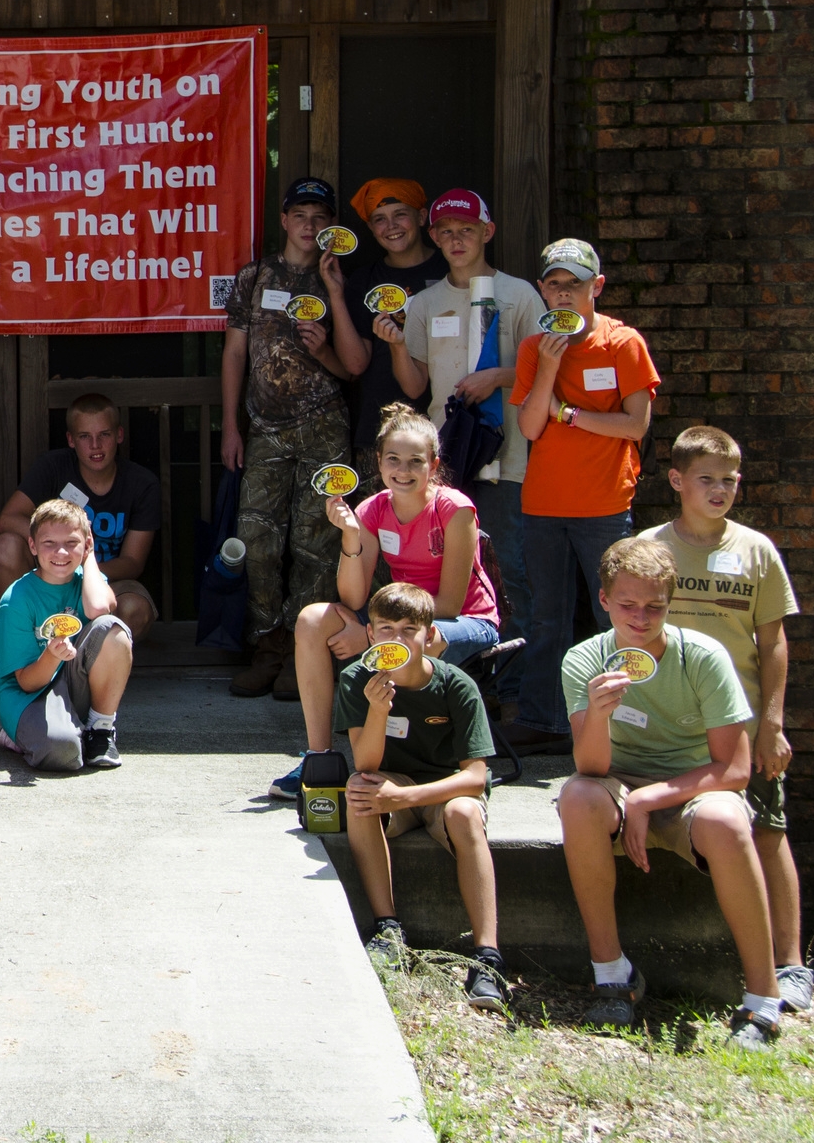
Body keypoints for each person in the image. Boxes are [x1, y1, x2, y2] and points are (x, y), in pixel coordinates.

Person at [555, 537, 783, 1048]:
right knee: (576, 797)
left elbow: (735, 769)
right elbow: (590, 767)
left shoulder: (702, 656)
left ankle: (763, 998)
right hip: (615, 781)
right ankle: (612, 974)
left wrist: (647, 799)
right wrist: (598, 714)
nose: (641, 618)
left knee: (727, 820)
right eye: (628, 605)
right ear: (604, 599)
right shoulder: (584, 659)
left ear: (670, 603)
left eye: (654, 607)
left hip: (692, 788)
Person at [642, 425, 814, 1012]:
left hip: (741, 727)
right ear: (676, 480)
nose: (720, 490)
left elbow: (774, 642)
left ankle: (790, 965)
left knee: (768, 830)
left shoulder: (756, 550)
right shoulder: (649, 549)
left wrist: (772, 723)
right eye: (707, 479)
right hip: (669, 725)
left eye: (730, 480)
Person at [273, 403, 501, 801]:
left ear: (433, 464)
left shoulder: (455, 509)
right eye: (393, 459)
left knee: (425, 639)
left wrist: (373, 638)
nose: (403, 470)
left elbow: (448, 604)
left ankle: (419, 761)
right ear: (378, 462)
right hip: (397, 623)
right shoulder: (373, 508)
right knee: (312, 620)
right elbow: (353, 597)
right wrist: (350, 535)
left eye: (415, 461)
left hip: (463, 620)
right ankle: (319, 758)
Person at [388, 188, 542, 712]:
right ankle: (456, 687)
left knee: (510, 569)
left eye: (467, 230)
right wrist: (394, 343)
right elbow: (414, 385)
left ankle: (514, 692)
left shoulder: (520, 294)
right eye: (447, 232)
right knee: (453, 572)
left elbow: (547, 367)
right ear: (434, 237)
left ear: (487, 232)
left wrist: (496, 377)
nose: (457, 240)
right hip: (446, 461)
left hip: (509, 455)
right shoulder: (425, 302)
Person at [512, 239, 660, 752]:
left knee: (614, 616)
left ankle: (626, 730)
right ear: (541, 290)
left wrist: (568, 414)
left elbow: (635, 425)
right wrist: (550, 368)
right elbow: (530, 428)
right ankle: (544, 720)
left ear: (596, 287)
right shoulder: (534, 348)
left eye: (573, 284)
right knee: (546, 618)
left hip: (604, 505)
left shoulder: (623, 343)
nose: (563, 293)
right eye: (554, 284)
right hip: (543, 505)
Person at [337, 582, 509, 1013]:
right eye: (386, 628)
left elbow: (475, 777)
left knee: (466, 813)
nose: (397, 639)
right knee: (359, 791)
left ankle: (487, 958)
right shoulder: (357, 678)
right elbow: (366, 763)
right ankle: (388, 929)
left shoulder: (457, 685)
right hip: (390, 781)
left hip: (444, 789)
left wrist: (406, 797)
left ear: (429, 636)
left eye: (409, 630)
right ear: (370, 635)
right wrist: (378, 710)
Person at [223, 176, 356, 697]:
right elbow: (235, 352)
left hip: (325, 427)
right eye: (300, 215)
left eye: (320, 217)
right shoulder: (254, 276)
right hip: (265, 430)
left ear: (331, 226)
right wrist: (230, 425)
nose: (309, 225)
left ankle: (304, 653)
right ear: (284, 220)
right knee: (256, 541)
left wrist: (325, 343)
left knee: (316, 543)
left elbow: (354, 368)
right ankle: (268, 647)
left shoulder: (338, 279)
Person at [0, 394, 161, 669]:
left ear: (119, 435)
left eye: (104, 434)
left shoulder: (142, 483)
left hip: (105, 580)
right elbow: (7, 520)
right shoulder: (53, 466)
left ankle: (83, 670)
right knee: (5, 546)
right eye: (84, 436)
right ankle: (16, 661)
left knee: (136, 609)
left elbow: (133, 562)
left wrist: (82, 567)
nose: (95, 445)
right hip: (48, 578)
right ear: (71, 440)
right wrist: (55, 550)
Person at [0, 499, 134, 772]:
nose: (61, 552)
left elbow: (99, 608)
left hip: (72, 680)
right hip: (29, 693)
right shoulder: (16, 599)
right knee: (64, 754)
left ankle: (100, 729)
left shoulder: (87, 580)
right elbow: (27, 683)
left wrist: (89, 558)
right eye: (49, 543)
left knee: (112, 629)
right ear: (32, 546)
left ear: (86, 544)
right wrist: (51, 655)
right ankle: (19, 734)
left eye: (72, 543)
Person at [331, 178, 446, 486]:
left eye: (400, 215)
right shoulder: (364, 279)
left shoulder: (450, 269)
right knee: (377, 516)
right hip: (381, 432)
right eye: (379, 219)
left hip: (444, 425)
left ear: (421, 217)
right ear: (371, 228)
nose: (391, 226)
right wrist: (337, 295)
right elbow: (355, 364)